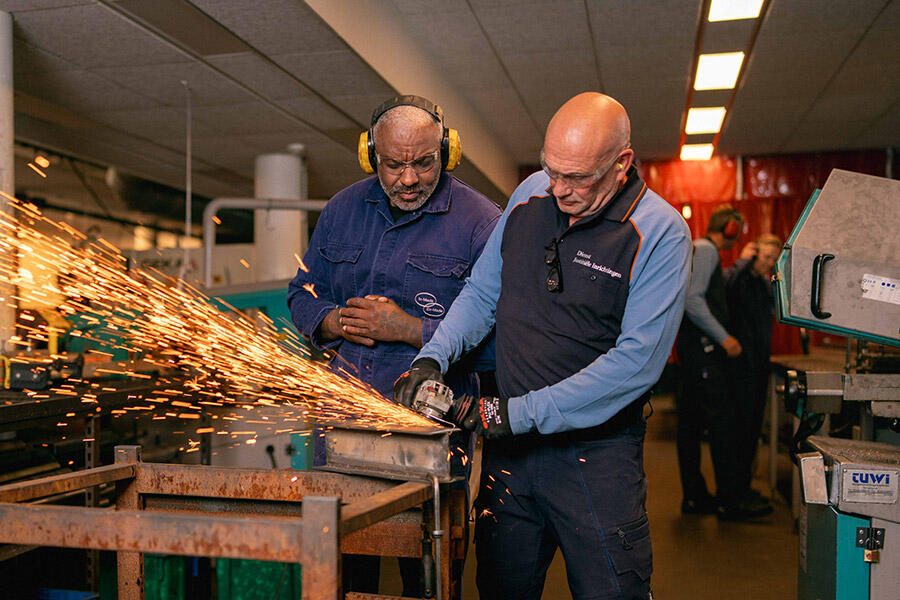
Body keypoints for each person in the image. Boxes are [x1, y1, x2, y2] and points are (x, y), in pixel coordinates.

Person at [394, 92, 692, 600]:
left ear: (621, 164)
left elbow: (635, 364)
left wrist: (509, 414)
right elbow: (484, 292)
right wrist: (432, 357)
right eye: (551, 170)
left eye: (576, 178)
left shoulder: (660, 233)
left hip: (596, 460)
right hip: (512, 458)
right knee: (500, 588)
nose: (558, 189)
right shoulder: (532, 193)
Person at [287, 95, 501, 596]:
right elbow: (301, 293)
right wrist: (333, 321)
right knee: (343, 573)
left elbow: (502, 344)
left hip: (426, 438)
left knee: (425, 579)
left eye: (424, 163)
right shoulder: (341, 210)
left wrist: (409, 329)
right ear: (370, 156)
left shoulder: (482, 223)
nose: (408, 179)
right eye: (393, 164)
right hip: (342, 431)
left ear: (446, 152)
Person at [675, 206, 773, 520]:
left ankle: (697, 497)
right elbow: (693, 299)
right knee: (722, 428)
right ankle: (730, 500)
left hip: (693, 355)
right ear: (731, 229)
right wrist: (725, 339)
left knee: (690, 428)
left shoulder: (701, 251)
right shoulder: (706, 250)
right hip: (705, 354)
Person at [725, 234, 781, 508]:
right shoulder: (741, 278)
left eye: (773, 259)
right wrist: (743, 260)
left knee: (751, 431)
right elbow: (729, 288)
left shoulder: (763, 283)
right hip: (739, 368)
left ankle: (743, 489)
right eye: (765, 257)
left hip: (758, 364)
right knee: (738, 430)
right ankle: (734, 494)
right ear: (755, 254)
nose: (768, 263)